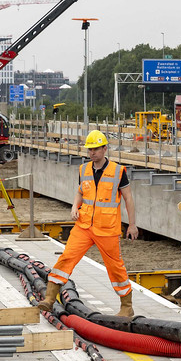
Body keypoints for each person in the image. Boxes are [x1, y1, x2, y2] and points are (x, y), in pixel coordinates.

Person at [37, 130, 138, 317]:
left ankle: (127, 306)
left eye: (96, 149)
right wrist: (75, 207)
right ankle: (49, 298)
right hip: (83, 226)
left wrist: (132, 225)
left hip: (106, 228)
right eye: (90, 149)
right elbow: (81, 192)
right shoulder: (83, 170)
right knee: (66, 258)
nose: (92, 153)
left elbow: (128, 198)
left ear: (105, 149)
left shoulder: (118, 171)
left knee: (115, 267)